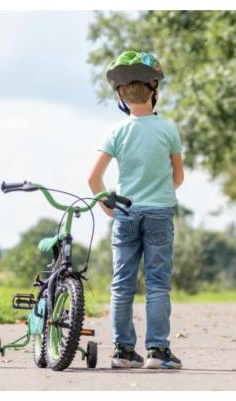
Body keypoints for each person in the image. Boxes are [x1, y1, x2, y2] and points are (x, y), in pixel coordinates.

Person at [88, 50, 185, 368]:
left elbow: (93, 178)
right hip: (158, 212)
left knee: (122, 283)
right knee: (157, 283)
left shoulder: (116, 131)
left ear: (120, 94)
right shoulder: (168, 129)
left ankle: (123, 352)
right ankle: (158, 352)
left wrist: (105, 201)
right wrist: (159, 194)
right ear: (155, 90)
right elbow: (178, 176)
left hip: (126, 213)